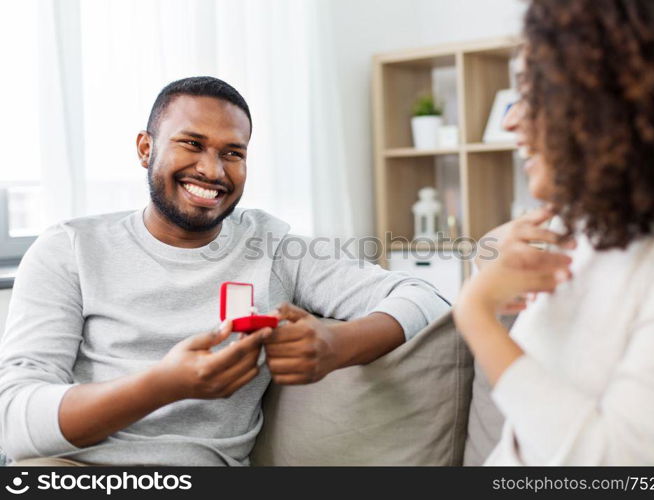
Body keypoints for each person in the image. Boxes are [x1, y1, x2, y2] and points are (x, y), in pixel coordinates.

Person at [0, 76, 450, 466]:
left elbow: (426, 298)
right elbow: (14, 420)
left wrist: (338, 344)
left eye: (233, 153)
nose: (212, 170)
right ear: (145, 148)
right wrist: (162, 386)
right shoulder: (71, 248)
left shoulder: (273, 247)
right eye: (192, 144)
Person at [454, 0, 654, 465]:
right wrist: (491, 261)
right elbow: (500, 257)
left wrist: (477, 316)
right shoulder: (591, 223)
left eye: (530, 94)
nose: (509, 121)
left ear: (606, 102)